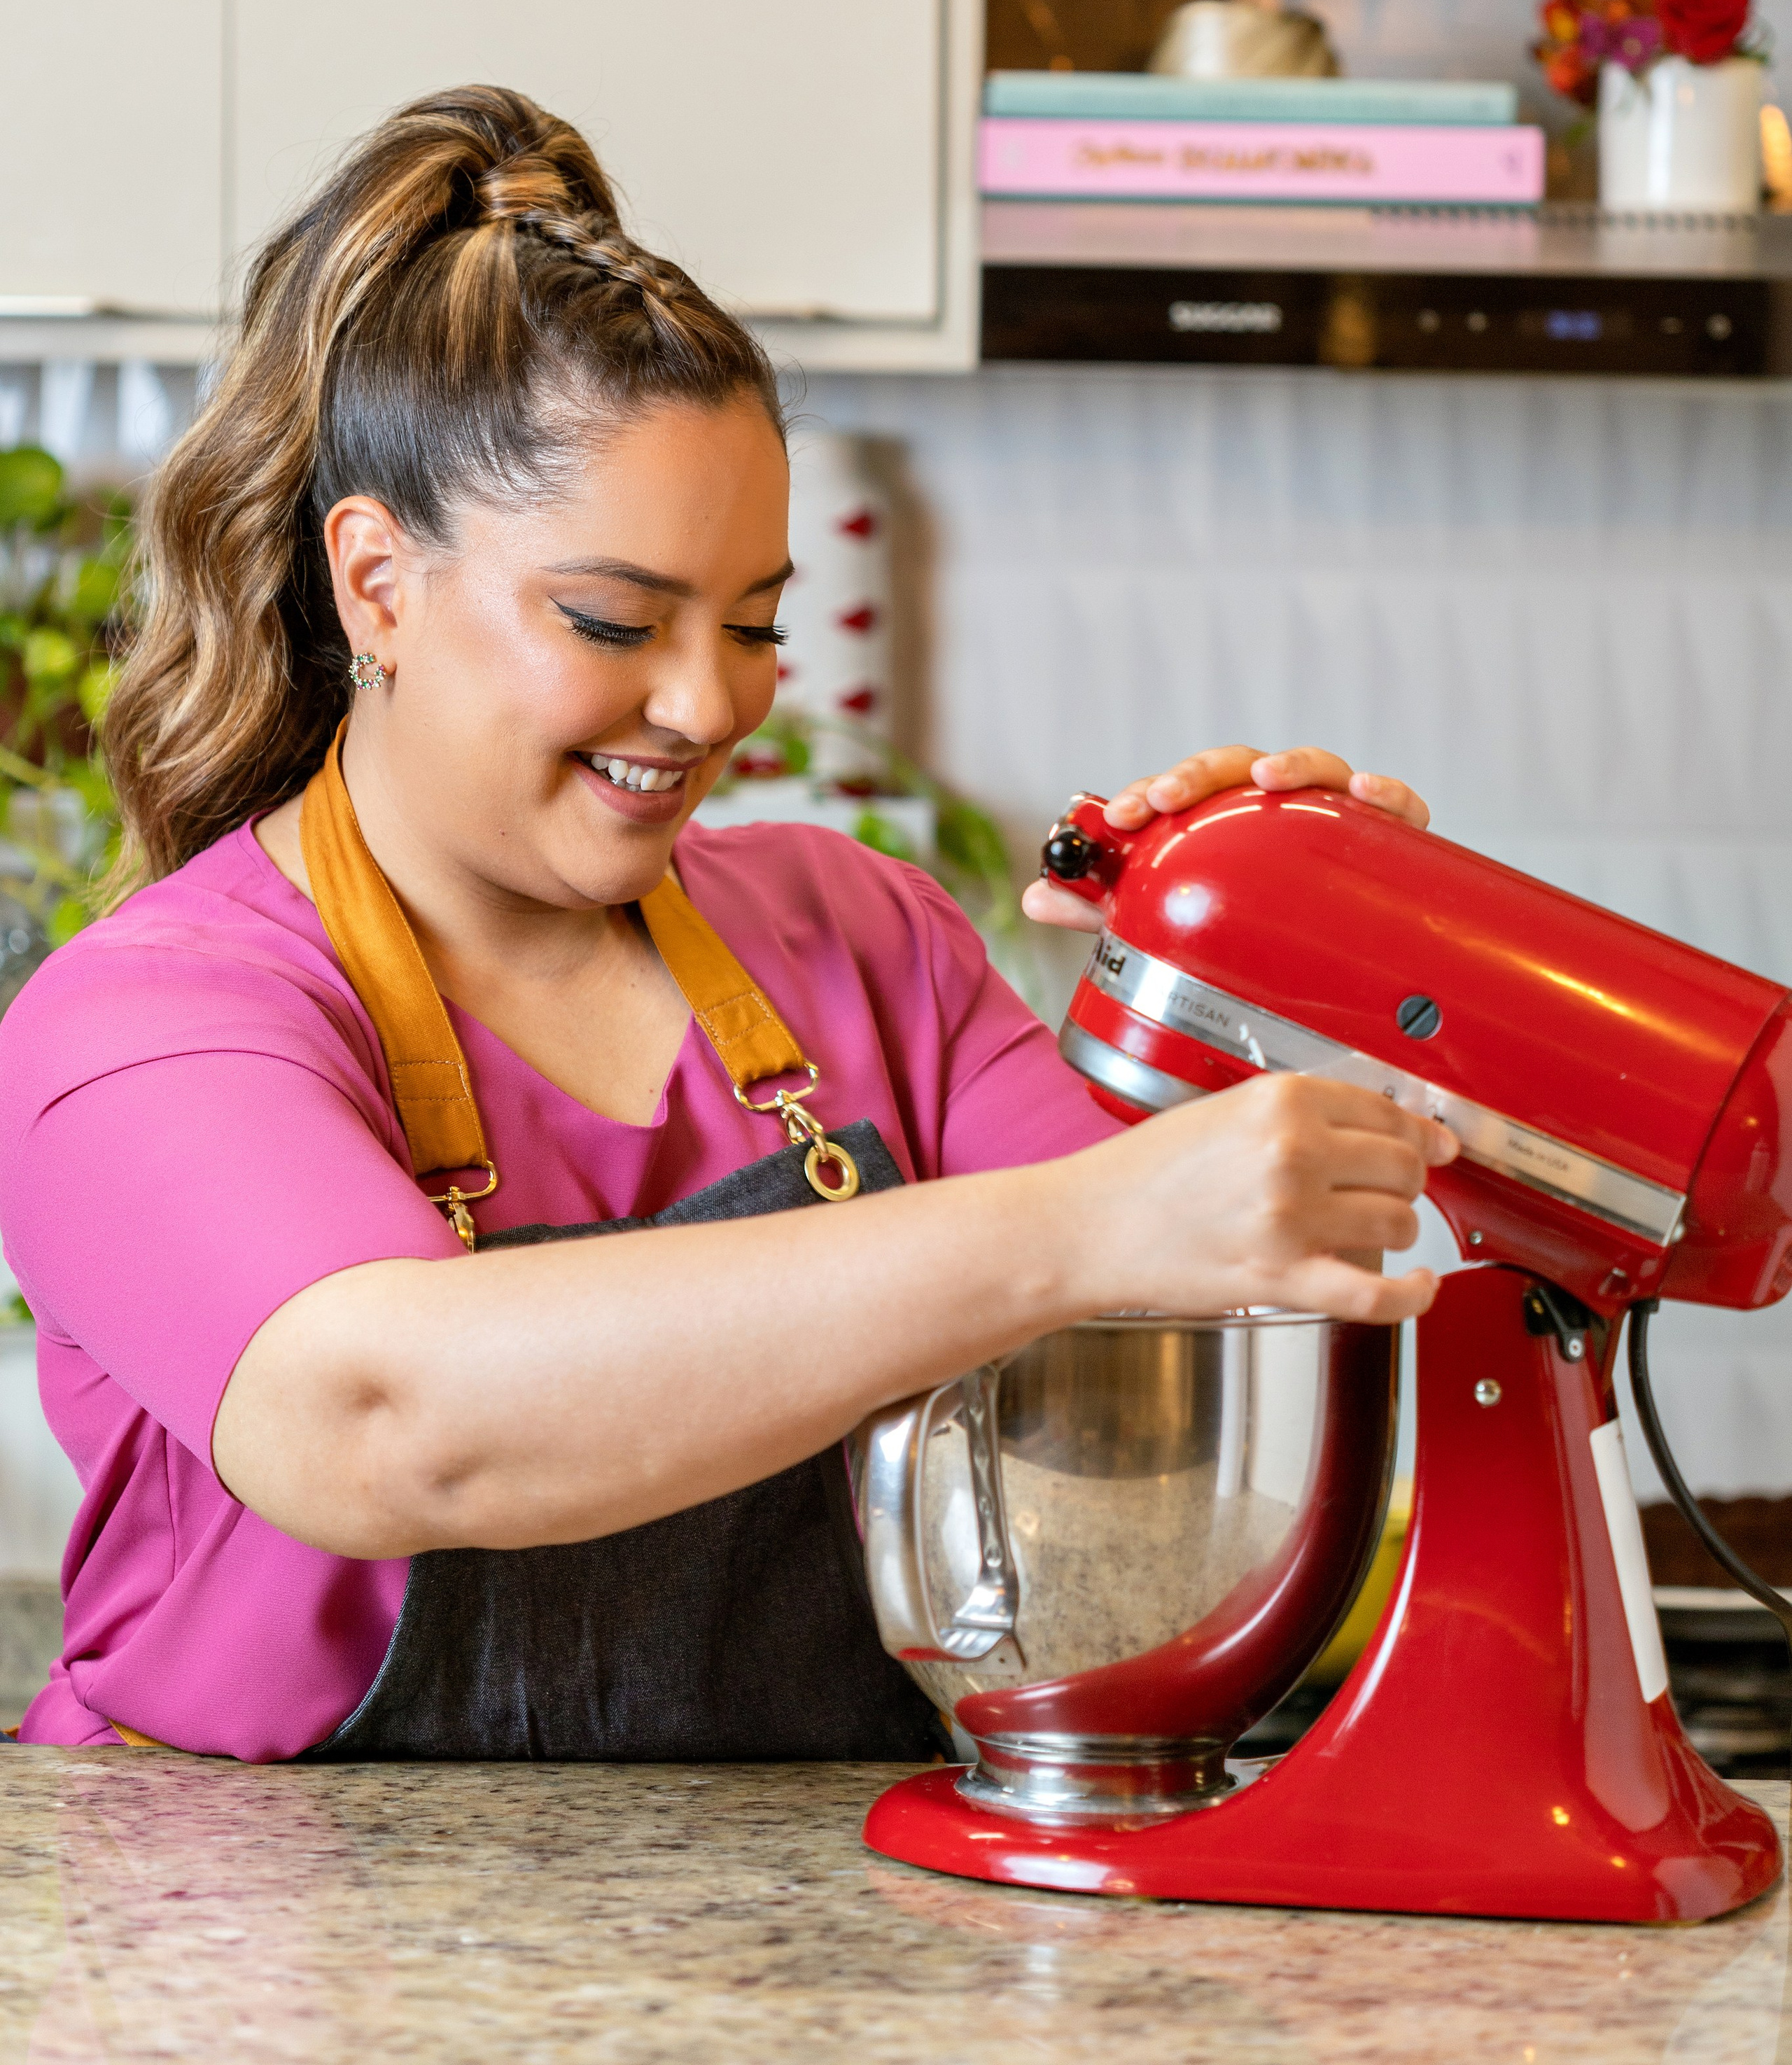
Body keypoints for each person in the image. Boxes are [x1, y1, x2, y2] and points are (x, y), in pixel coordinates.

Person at [0, 88, 1450, 1761]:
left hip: (794, 1937)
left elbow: (1127, 1392)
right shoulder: (146, 1018)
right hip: (271, 1971)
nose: (704, 701)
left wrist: (1256, 989)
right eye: (615, 617)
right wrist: (1077, 1226)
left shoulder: (862, 939)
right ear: (376, 582)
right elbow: (388, 1420)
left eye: (752, 624)